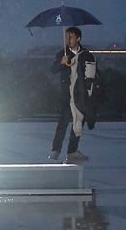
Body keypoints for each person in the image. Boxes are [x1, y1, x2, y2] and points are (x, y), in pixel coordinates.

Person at [49, 27, 97, 163]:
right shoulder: (63, 54)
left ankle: (72, 151)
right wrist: (61, 63)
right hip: (67, 95)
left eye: (70, 37)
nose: (68, 40)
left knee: (78, 123)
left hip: (81, 96)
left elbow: (92, 73)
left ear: (78, 38)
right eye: (67, 37)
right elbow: (52, 69)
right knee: (63, 123)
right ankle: (55, 150)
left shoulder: (86, 54)